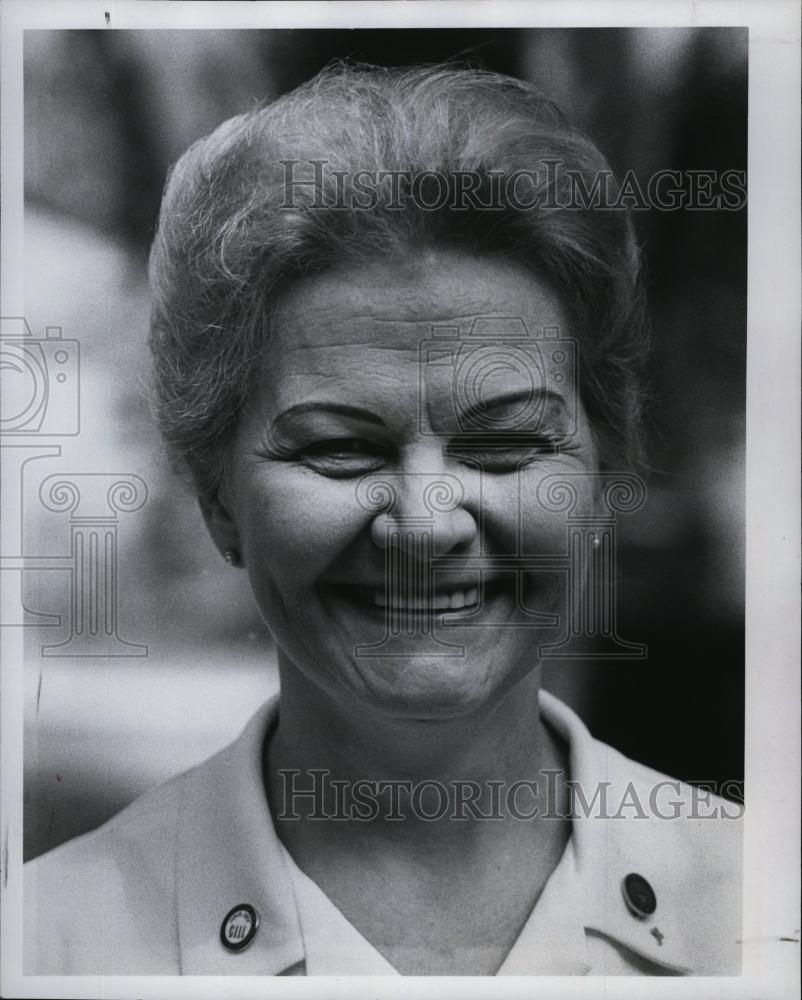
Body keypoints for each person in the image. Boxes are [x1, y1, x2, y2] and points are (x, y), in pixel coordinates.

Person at [24, 63, 742, 977]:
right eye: (340, 448)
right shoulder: (49, 945)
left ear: (603, 469)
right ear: (216, 495)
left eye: (505, 444)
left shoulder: (767, 908)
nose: (428, 525)